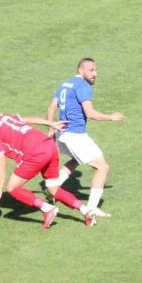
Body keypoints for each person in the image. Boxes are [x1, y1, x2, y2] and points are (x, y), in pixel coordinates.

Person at [0, 104, 97, 228]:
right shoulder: (1, 116)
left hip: (35, 153)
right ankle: (86, 212)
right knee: (53, 189)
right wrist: (51, 123)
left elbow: (1, 161)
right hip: (49, 146)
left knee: (12, 187)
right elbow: (28, 119)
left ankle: (48, 209)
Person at [47, 58, 125, 225]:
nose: (95, 74)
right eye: (91, 70)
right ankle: (92, 208)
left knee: (77, 159)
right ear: (81, 70)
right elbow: (89, 113)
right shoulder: (83, 85)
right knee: (102, 167)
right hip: (75, 135)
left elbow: (51, 107)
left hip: (62, 135)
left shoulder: (65, 84)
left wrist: (51, 128)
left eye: (96, 70)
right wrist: (111, 117)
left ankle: (52, 188)